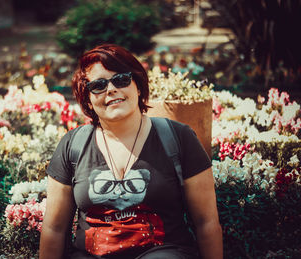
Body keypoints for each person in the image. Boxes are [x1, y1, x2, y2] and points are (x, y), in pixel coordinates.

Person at [39, 44, 223, 259]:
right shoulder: (73, 145)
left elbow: (206, 222)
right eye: (98, 85)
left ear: (137, 85)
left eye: (121, 79)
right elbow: (54, 229)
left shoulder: (178, 138)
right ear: (87, 97)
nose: (111, 89)